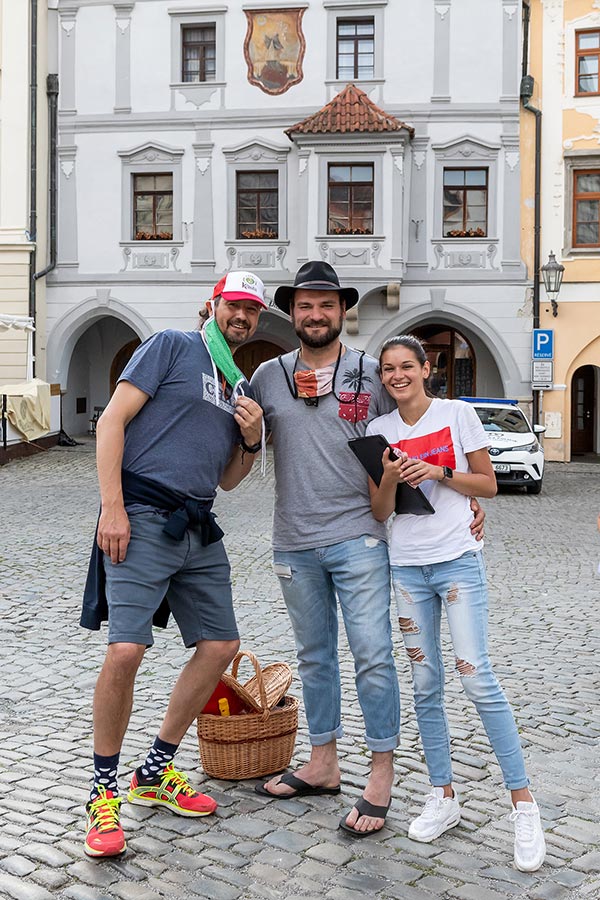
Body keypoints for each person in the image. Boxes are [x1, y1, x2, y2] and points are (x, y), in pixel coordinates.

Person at [250, 261, 484, 837]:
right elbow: (240, 436)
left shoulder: (371, 374)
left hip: (361, 536)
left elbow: (414, 434)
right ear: (292, 312)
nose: (315, 314)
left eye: (326, 304)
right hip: (294, 538)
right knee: (313, 657)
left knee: (375, 654)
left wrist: (469, 499)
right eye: (305, 305)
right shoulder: (268, 377)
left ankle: (380, 772)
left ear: (342, 311)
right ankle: (323, 761)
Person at [80, 271, 266, 859]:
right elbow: (111, 422)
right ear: (212, 305)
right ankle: (103, 793)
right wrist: (113, 507)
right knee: (127, 649)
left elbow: (230, 481)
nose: (243, 317)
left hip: (199, 523)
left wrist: (254, 439)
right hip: (140, 513)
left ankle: (155, 772)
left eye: (252, 311)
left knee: (219, 644)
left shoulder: (235, 383)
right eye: (235, 306)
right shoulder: (172, 346)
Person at [366, 333, 546, 872]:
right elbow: (379, 511)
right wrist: (392, 477)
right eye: (388, 369)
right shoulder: (379, 431)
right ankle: (442, 795)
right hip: (405, 567)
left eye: (407, 366)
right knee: (425, 684)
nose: (397, 376)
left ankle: (523, 804)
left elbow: (487, 485)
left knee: (477, 678)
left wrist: (440, 472)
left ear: (426, 368)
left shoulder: (456, 414)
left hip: (457, 562)